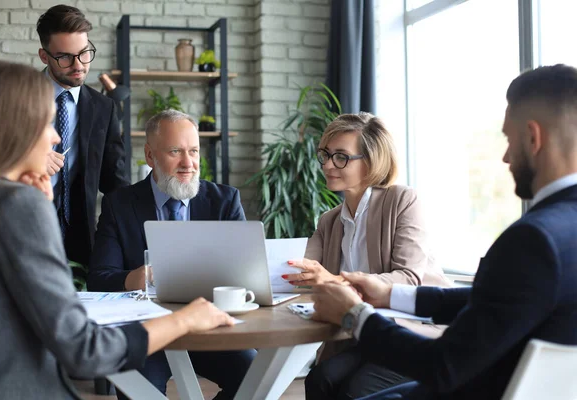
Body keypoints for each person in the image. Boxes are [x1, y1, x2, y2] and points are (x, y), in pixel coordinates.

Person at [311, 64, 577, 400]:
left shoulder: (533, 239)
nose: (507, 157)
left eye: (509, 139)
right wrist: (389, 294)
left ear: (534, 138)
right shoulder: (560, 231)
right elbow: (490, 298)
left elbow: (442, 365)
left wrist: (354, 315)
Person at [0, 61, 236, 400]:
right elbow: (83, 349)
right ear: (17, 129)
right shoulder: (18, 206)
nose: (56, 137)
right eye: (47, 123)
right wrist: (185, 320)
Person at [87, 109, 255, 399]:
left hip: (210, 329)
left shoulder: (225, 200)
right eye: (176, 151)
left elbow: (244, 273)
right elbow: (99, 279)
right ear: (150, 156)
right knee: (136, 391)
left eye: (193, 151)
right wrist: (136, 277)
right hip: (149, 333)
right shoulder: (119, 205)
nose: (188, 163)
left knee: (255, 375)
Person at [282, 113, 450, 400]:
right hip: (362, 334)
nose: (327, 164)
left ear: (371, 162)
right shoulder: (330, 220)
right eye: (325, 155)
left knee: (354, 392)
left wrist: (334, 280)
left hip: (412, 333)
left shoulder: (403, 200)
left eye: (341, 157)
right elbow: (298, 267)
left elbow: (409, 277)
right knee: (319, 380)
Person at [36, 5, 129, 267]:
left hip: (82, 242)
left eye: (85, 53)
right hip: (24, 231)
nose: (78, 66)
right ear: (44, 56)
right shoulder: (15, 98)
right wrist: (27, 158)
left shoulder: (104, 107)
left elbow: (115, 181)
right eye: (65, 57)